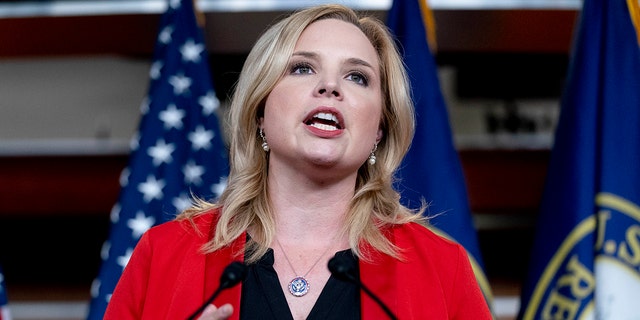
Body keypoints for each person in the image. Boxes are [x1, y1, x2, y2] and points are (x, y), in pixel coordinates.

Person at [104, 4, 491, 320]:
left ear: (379, 130)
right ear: (260, 111)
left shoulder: (442, 268)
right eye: (302, 68)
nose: (330, 86)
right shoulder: (162, 255)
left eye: (357, 77)